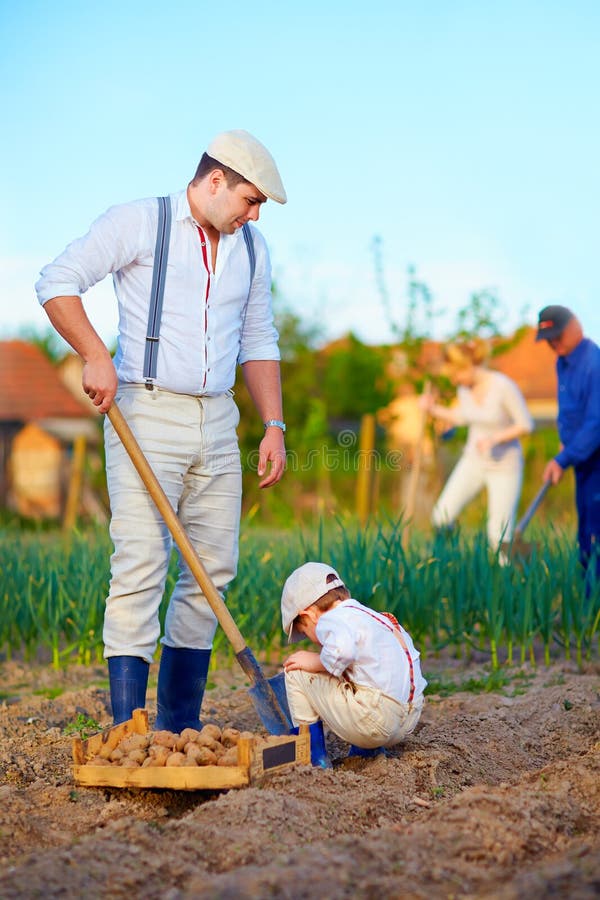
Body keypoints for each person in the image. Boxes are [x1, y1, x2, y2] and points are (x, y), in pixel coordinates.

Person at [35, 130, 288, 728]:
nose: (254, 215)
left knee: (211, 573)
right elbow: (56, 281)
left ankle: (179, 728)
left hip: (218, 418)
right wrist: (96, 354)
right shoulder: (139, 222)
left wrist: (273, 424)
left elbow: (258, 338)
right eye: (251, 200)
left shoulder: (252, 249)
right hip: (144, 411)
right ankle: (129, 730)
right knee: (142, 564)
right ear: (216, 179)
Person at [280, 562, 427, 765]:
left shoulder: (330, 620)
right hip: (408, 718)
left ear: (309, 615)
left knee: (296, 671)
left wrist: (313, 660)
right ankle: (365, 753)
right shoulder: (374, 618)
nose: (312, 640)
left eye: (305, 632)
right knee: (356, 671)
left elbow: (343, 651)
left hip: (375, 722)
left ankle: (313, 760)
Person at [420, 338, 533, 553]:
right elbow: (463, 417)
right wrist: (432, 409)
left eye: (455, 374)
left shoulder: (503, 386)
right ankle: (449, 562)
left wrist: (495, 438)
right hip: (473, 461)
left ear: (468, 365)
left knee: (498, 536)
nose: (454, 380)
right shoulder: (465, 389)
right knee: (441, 516)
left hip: (504, 467)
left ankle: (507, 576)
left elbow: (525, 425)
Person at [536, 305, 600, 579]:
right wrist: (567, 447)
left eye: (558, 336)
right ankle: (586, 605)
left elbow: (596, 423)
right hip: (583, 458)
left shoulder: (594, 364)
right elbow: (574, 411)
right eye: (549, 339)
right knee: (585, 531)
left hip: (596, 457)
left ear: (577, 327)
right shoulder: (562, 362)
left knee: (596, 534)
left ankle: (591, 608)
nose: (553, 343)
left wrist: (562, 458)